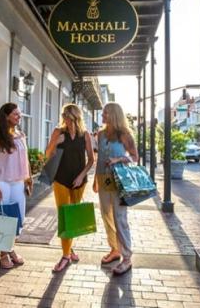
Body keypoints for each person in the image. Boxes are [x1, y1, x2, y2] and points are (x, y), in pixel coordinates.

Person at [45, 103, 94, 272]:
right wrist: (55, 142)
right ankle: (65, 256)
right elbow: (47, 154)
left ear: (76, 117)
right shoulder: (59, 132)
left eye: (69, 117)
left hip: (79, 181)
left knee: (73, 216)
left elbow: (91, 161)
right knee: (64, 216)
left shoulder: (85, 135)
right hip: (61, 179)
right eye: (64, 116)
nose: (66, 120)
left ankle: (68, 248)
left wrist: (81, 176)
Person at [0, 102, 32, 269]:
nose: (19, 117)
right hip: (2, 182)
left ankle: (10, 248)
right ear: (6, 117)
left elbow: (24, 159)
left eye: (19, 114)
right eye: (16, 114)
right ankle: (3, 254)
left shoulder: (20, 135)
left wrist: (28, 178)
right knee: (3, 220)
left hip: (18, 182)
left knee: (17, 219)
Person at [93, 102, 138, 275]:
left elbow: (134, 158)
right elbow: (100, 158)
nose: (102, 116)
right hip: (104, 179)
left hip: (119, 180)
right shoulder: (101, 133)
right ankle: (115, 250)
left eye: (105, 113)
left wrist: (118, 160)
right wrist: (95, 180)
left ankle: (127, 257)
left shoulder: (124, 135)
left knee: (120, 218)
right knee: (106, 216)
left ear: (114, 115)